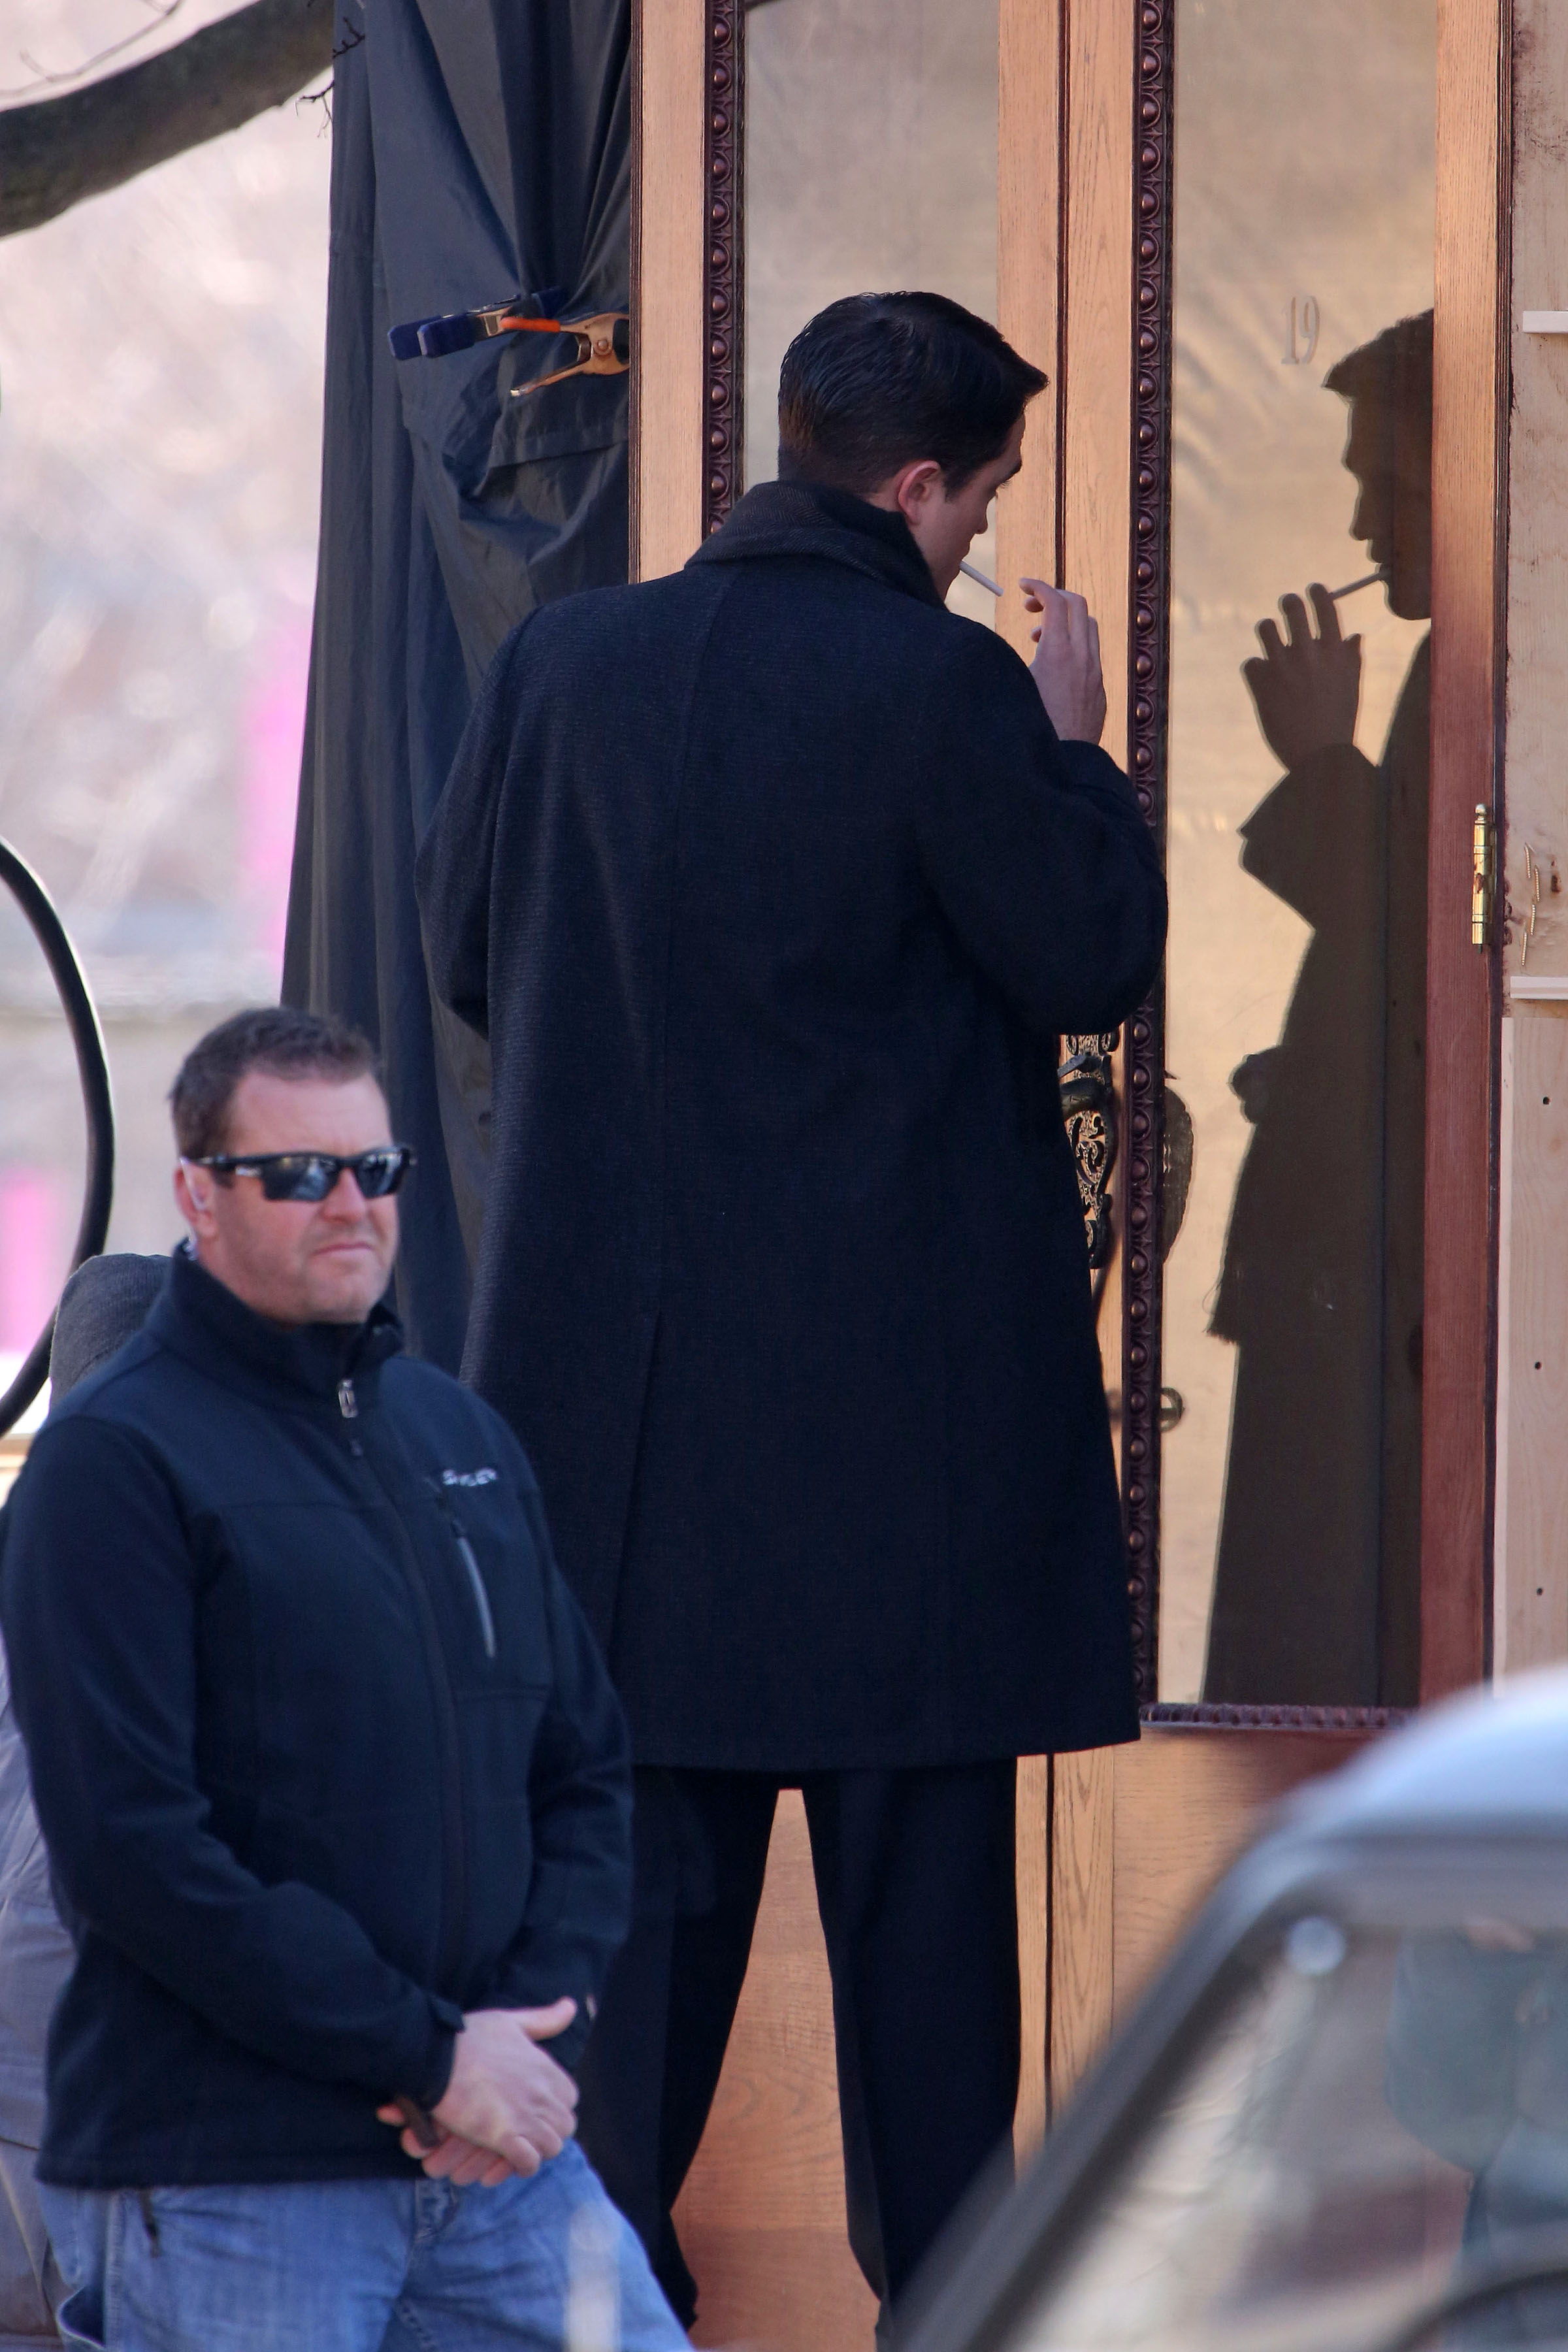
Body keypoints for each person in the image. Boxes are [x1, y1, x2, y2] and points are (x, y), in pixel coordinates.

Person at [416, 290, 1168, 2328]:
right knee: (927, 2021)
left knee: (623, 2013)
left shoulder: (563, 665)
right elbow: (1087, 951)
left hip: (622, 1475)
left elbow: (468, 954)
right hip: (896, 1480)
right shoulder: (944, 695)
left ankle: (593, 2321)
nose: (982, 537)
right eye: (983, 499)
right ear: (915, 487)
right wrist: (1074, 750)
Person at [0, 1006, 688, 2352]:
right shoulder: (110, 1469)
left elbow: (583, 1770)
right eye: (298, 1173)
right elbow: (135, 1856)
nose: (349, 1204)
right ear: (199, 1194)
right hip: (234, 2180)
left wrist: (529, 2039)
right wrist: (430, 2056)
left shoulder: (457, 1437)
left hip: (495, 2161)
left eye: (375, 1168)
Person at [1204, 310, 1432, 1707]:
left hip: (1390, 1295)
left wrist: (1319, 762)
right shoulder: (1456, 663)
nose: (1359, 524)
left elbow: (1434, 951)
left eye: (1385, 483)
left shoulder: (1501, 673)